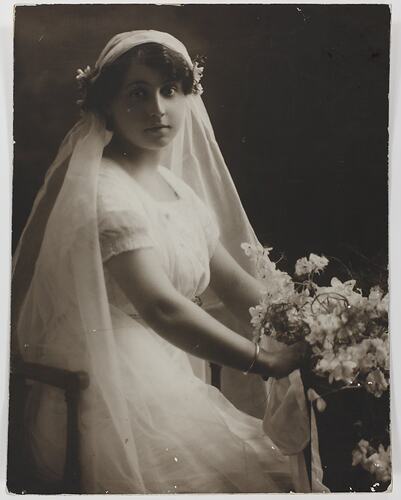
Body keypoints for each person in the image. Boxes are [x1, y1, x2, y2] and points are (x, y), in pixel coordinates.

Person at [12, 30, 316, 493]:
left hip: (165, 368)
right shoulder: (105, 192)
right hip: (108, 385)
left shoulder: (179, 192)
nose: (158, 108)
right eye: (138, 93)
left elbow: (233, 283)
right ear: (107, 106)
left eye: (169, 91)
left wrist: (314, 326)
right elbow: (162, 307)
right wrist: (261, 361)